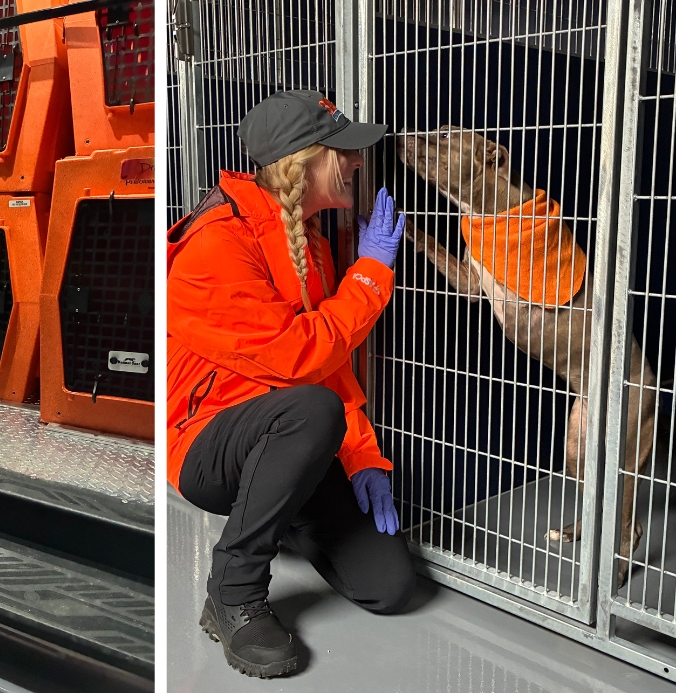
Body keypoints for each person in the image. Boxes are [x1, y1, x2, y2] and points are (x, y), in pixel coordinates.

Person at [167, 90, 415, 678]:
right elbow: (299, 358)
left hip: (291, 432)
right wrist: (372, 275)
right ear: (305, 162)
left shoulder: (314, 245)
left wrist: (361, 458)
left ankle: (281, 506)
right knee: (308, 410)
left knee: (391, 586)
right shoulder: (216, 244)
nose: (357, 162)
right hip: (208, 445)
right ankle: (232, 591)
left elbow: (332, 368)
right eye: (345, 152)